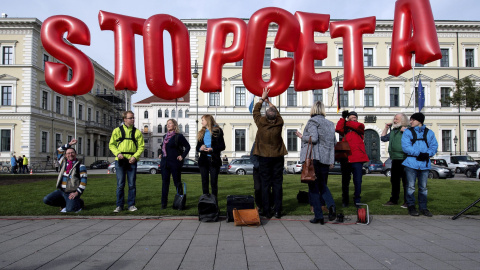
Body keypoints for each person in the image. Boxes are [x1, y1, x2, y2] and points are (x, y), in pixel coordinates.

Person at [296, 101, 337, 224]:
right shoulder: (330, 124)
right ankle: (331, 206)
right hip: (325, 159)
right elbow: (334, 142)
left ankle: (318, 215)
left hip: (314, 159)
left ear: (313, 109)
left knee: (313, 187)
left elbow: (313, 139)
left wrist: (301, 136)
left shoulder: (312, 121)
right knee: (322, 185)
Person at [253, 88, 288, 219]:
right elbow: (276, 113)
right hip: (278, 157)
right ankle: (278, 210)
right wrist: (270, 103)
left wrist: (262, 99)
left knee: (265, 184)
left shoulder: (261, 123)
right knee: (278, 184)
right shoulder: (280, 122)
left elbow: (255, 111)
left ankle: (267, 211)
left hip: (264, 157)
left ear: (266, 116)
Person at [401, 112, 438, 217]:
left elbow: (434, 146)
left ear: (419, 121)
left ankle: (423, 207)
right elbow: (406, 147)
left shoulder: (429, 133)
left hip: (424, 164)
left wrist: (427, 154)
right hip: (411, 163)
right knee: (411, 187)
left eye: (413, 120)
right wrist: (419, 154)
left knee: (423, 187)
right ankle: (411, 206)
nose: (410, 122)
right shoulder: (408, 132)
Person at [109, 111, 145, 213]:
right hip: (120, 160)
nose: (133, 120)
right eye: (130, 118)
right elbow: (111, 144)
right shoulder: (117, 131)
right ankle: (119, 205)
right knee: (120, 184)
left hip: (132, 160)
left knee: (132, 184)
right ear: (125, 119)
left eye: (133, 118)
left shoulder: (137, 132)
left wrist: (135, 156)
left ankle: (131, 205)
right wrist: (118, 153)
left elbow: (141, 146)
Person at [335, 110, 369, 208]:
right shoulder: (345, 127)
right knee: (345, 181)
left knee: (358, 181)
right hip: (346, 158)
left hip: (357, 158)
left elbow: (357, 126)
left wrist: (347, 121)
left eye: (354, 117)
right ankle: (345, 200)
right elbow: (338, 129)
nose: (353, 118)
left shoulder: (359, 126)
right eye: (351, 117)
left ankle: (357, 199)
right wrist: (342, 119)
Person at [43, 139, 87, 213]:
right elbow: (58, 151)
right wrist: (69, 144)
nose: (70, 154)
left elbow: (83, 181)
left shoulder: (80, 166)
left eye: (72, 153)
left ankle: (79, 202)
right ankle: (66, 203)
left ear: (75, 154)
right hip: (61, 191)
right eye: (68, 153)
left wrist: (77, 193)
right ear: (66, 155)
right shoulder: (63, 163)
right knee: (46, 199)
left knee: (70, 210)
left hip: (72, 192)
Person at [159, 119, 191, 209]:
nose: (168, 125)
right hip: (165, 162)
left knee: (177, 183)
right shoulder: (164, 136)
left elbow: (188, 146)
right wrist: (161, 154)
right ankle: (163, 204)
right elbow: (165, 148)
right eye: (167, 124)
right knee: (165, 183)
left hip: (175, 163)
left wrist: (182, 156)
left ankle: (180, 203)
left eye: (170, 123)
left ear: (174, 125)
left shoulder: (178, 136)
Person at [381, 113, 409, 208]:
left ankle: (407, 201)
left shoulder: (407, 129)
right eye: (394, 119)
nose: (394, 120)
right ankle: (394, 200)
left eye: (396, 119)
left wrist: (406, 131)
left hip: (404, 158)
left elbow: (413, 139)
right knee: (394, 180)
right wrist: (385, 128)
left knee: (406, 181)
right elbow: (383, 138)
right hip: (395, 159)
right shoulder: (394, 131)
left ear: (403, 120)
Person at [196, 115, 225, 199]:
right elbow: (197, 148)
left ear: (207, 121)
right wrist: (200, 148)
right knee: (204, 181)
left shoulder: (218, 131)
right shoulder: (201, 132)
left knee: (213, 182)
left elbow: (222, 146)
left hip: (214, 160)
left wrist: (212, 149)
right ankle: (205, 201)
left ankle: (214, 201)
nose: (201, 122)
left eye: (203, 120)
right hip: (203, 160)